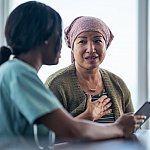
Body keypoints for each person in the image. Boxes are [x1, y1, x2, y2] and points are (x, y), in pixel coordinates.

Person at [0, 1, 145, 149]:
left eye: (97, 41)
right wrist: (118, 127)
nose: (62, 44)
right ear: (45, 39)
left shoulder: (14, 71)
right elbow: (71, 129)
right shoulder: (19, 74)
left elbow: (48, 137)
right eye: (58, 34)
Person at [45, 16, 134, 123]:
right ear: (72, 47)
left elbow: (134, 128)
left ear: (106, 46)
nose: (91, 49)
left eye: (97, 41)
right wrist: (87, 116)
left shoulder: (118, 84)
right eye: (82, 41)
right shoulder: (56, 84)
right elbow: (47, 136)